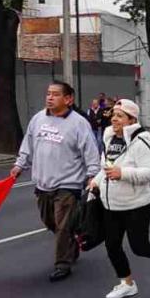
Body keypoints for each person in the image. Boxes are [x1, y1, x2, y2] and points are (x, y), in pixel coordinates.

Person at [89, 99, 150, 298]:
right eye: (113, 115)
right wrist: (97, 181)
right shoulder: (108, 138)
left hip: (136, 205)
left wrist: (122, 173)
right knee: (112, 245)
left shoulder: (140, 141)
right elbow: (106, 168)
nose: (114, 119)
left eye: (120, 115)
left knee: (140, 247)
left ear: (131, 119)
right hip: (111, 204)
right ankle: (127, 283)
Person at [11, 82, 101, 282]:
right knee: (50, 222)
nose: (49, 98)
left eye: (55, 94)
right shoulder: (38, 119)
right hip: (43, 183)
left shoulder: (79, 123)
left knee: (62, 226)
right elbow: (28, 143)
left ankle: (62, 264)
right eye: (48, 94)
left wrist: (92, 175)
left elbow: (90, 151)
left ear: (68, 99)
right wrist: (20, 165)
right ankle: (72, 241)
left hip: (68, 184)